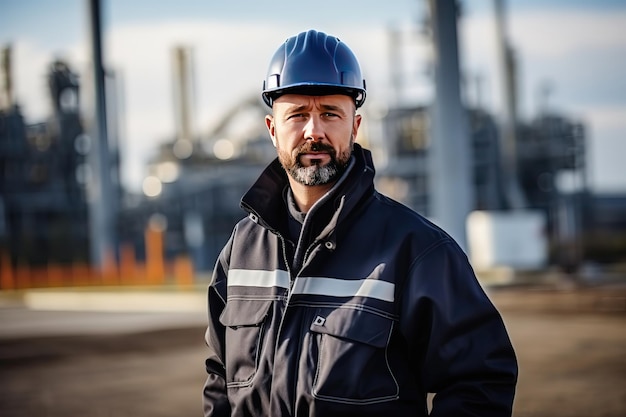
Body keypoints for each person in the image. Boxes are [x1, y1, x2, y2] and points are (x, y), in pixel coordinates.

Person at [203, 29, 518, 417]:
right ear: (272, 130)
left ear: (355, 126)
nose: (313, 132)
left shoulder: (414, 249)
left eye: (330, 114)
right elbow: (221, 375)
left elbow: (480, 379)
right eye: (297, 115)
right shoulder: (242, 248)